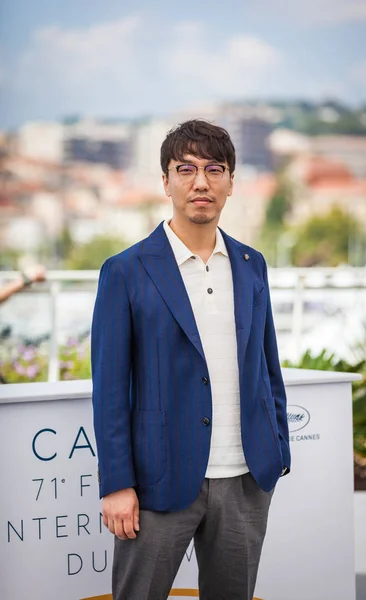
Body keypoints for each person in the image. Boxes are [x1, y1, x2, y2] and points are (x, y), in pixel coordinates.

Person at [91, 119, 290, 600]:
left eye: (214, 169)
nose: (201, 182)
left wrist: (278, 443)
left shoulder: (251, 263)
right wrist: (117, 484)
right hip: (159, 480)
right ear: (165, 181)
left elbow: (267, 364)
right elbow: (111, 388)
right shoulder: (125, 271)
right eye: (186, 169)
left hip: (245, 478)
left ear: (230, 182)